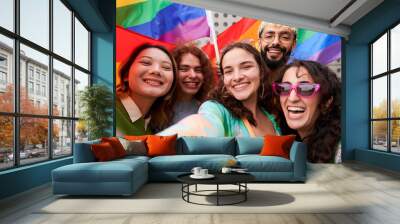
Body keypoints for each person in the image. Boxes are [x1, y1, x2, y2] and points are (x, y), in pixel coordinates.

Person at [159, 42, 281, 137]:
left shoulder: (272, 116)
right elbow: (202, 124)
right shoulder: (216, 109)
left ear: (261, 71)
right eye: (228, 71)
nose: (237, 77)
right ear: (223, 79)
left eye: (246, 67)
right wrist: (149, 144)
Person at [272, 60, 341, 163]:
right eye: (285, 88)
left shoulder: (341, 151)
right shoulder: (285, 140)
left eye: (305, 88)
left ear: (327, 101)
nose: (292, 98)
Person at [116, 43, 177, 136]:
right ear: (126, 74)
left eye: (166, 67)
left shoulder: (153, 125)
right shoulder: (106, 108)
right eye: (146, 62)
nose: (156, 71)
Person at [169, 44, 214, 125]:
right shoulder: (155, 109)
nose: (193, 75)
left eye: (198, 70)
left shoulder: (211, 109)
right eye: (184, 69)